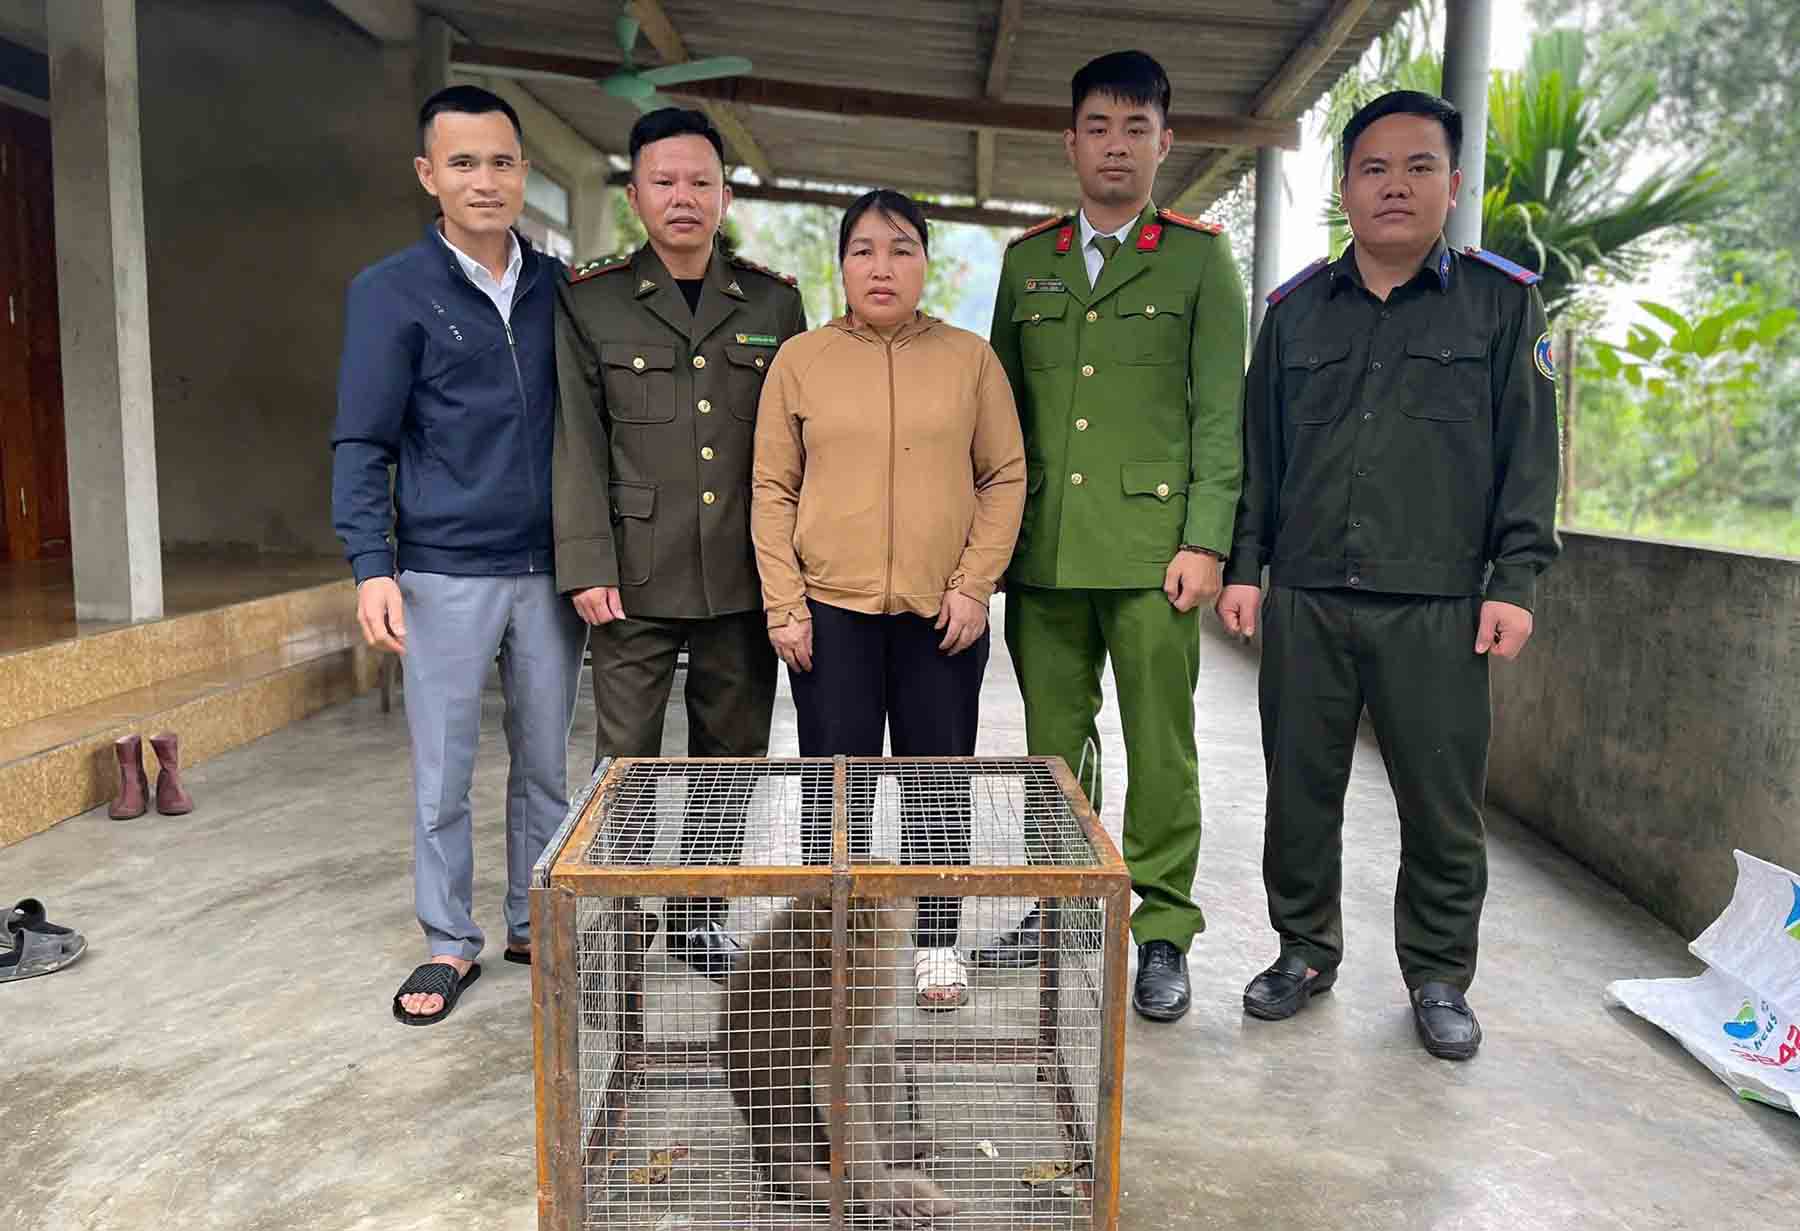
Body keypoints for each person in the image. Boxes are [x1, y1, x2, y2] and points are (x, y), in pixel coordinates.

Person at [1218, 90, 1561, 1060]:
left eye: (1419, 167)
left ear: (1454, 184)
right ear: (1345, 188)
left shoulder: (1501, 303)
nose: (1396, 186)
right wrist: (1246, 567)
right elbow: (1259, 457)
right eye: (1374, 168)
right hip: (1309, 596)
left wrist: (1516, 580)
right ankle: (1303, 951)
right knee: (1299, 792)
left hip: (1440, 604)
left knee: (1441, 804)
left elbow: (1530, 456)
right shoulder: (1293, 313)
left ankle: (1439, 974)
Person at [977, 51, 1247, 1024]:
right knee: (1053, 748)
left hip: (1152, 554)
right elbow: (997, 415)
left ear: (1165, 144)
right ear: (1071, 142)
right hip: (1045, 550)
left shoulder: (1199, 259)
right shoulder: (1027, 262)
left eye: (1137, 129)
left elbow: (1220, 414)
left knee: (1161, 748)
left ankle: (1163, 927)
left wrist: (1206, 539)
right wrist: (990, 543)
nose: (1117, 146)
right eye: (1099, 127)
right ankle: (1057, 904)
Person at [331, 85, 588, 1025]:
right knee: (442, 770)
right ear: (428, 174)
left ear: (524, 173)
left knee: (546, 762)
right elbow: (363, 440)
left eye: (502, 162)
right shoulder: (390, 291)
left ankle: (533, 920)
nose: (486, 180)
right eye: (464, 162)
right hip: (442, 569)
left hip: (549, 571)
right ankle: (448, 939)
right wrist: (372, 563)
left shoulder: (562, 289)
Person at [751, 189, 1025, 1010]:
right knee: (835, 789)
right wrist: (784, 602)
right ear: (841, 264)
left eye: (901, 248)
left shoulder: (970, 360)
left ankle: (936, 942)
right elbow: (772, 487)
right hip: (829, 612)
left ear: (926, 263)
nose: (882, 266)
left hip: (942, 614)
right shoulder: (801, 360)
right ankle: (829, 942)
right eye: (864, 249)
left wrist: (974, 585)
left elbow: (1003, 476)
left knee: (938, 785)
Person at [552, 108, 806, 981]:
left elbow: (793, 444)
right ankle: (619, 925)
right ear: (636, 195)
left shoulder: (774, 301)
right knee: (623, 762)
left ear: (725, 194)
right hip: (632, 574)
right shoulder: (591, 299)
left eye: (701, 181)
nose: (683, 197)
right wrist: (587, 561)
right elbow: (577, 441)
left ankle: (699, 916)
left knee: (730, 760)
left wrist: (789, 572)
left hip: (741, 573)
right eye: (664, 181)